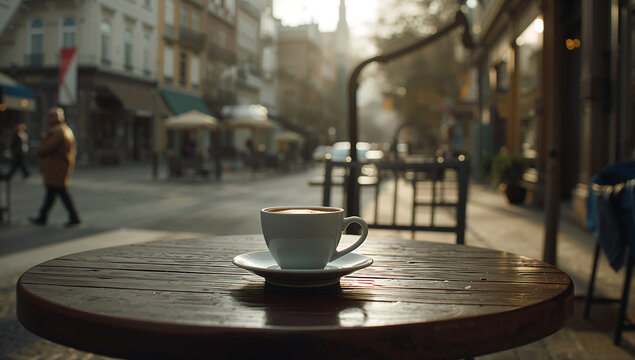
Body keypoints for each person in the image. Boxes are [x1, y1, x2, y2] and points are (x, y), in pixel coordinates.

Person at [29, 107, 81, 226]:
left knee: (60, 192)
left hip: (57, 167)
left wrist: (41, 148)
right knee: (52, 193)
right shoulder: (64, 130)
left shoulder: (58, 131)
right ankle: (43, 216)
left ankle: (73, 217)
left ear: (55, 118)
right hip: (59, 167)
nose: (47, 119)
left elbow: (46, 148)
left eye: (50, 116)